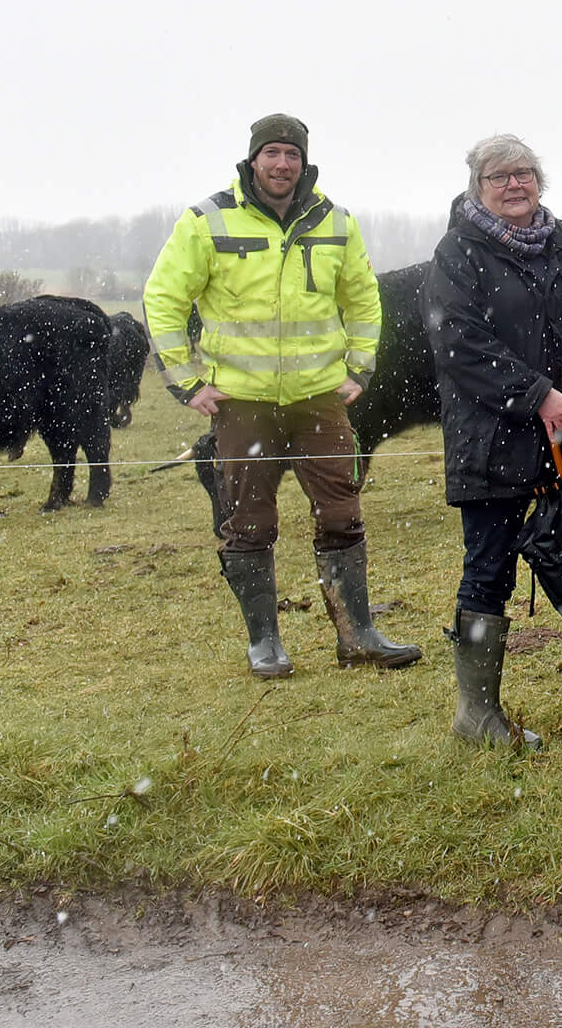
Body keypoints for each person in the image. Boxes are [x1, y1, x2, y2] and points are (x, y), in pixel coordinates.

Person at [144, 114, 420, 678]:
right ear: (253, 159)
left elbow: (364, 300)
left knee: (342, 513)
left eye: (292, 154)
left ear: (304, 162)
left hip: (320, 399)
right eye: (271, 153)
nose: (282, 164)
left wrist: (360, 369)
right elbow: (163, 298)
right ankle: (265, 643)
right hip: (242, 404)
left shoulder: (336, 221)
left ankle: (358, 635)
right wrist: (187, 382)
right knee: (248, 522)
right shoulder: (207, 221)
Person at [425, 134, 562, 747]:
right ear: (478, 188)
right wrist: (536, 393)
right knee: (489, 571)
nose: (514, 184)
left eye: (524, 173)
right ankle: (476, 715)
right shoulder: (457, 253)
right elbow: (458, 342)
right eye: (499, 176)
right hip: (493, 440)